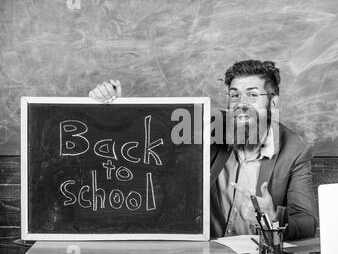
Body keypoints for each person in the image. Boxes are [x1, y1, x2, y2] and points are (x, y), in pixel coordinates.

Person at [89, 60, 318, 240]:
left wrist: (272, 219)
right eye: (235, 94)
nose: (241, 102)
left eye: (253, 94)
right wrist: (115, 107)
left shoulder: (294, 150)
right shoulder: (207, 124)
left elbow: (307, 222)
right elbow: (148, 139)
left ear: (273, 103)